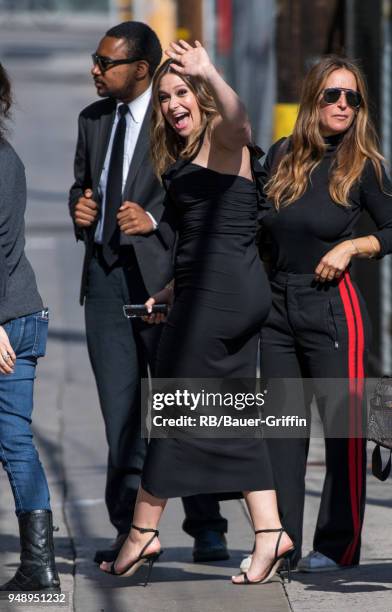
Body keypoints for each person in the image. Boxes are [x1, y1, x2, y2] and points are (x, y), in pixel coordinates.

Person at [101, 40, 294, 586]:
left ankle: (143, 531)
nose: (171, 104)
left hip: (221, 296)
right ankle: (269, 531)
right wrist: (167, 291)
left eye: (181, 92)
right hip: (208, 290)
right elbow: (197, 237)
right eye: (163, 97)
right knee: (224, 412)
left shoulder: (224, 138)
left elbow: (239, 114)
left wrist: (209, 70)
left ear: (203, 97)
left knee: (176, 406)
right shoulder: (187, 154)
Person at [68, 21, 228, 565]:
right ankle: (130, 530)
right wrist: (79, 209)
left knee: (180, 402)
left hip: (163, 280)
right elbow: (82, 183)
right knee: (121, 410)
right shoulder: (92, 120)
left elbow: (204, 199)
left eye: (104, 61)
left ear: (140, 69)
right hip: (106, 279)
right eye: (96, 59)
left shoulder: (175, 118)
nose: (95, 68)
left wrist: (155, 220)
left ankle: (207, 524)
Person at [243, 55, 392, 574]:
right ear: (313, 99)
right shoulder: (284, 154)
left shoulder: (365, 165)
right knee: (281, 432)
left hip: (334, 306)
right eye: (333, 95)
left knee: (345, 429)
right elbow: (255, 227)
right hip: (278, 307)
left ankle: (337, 544)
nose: (343, 105)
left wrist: (354, 247)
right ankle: (279, 541)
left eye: (353, 97)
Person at [0, 63, 60, 592]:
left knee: (13, 439)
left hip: (8, 319)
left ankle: (40, 566)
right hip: (18, 315)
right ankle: (38, 566)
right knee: (15, 438)